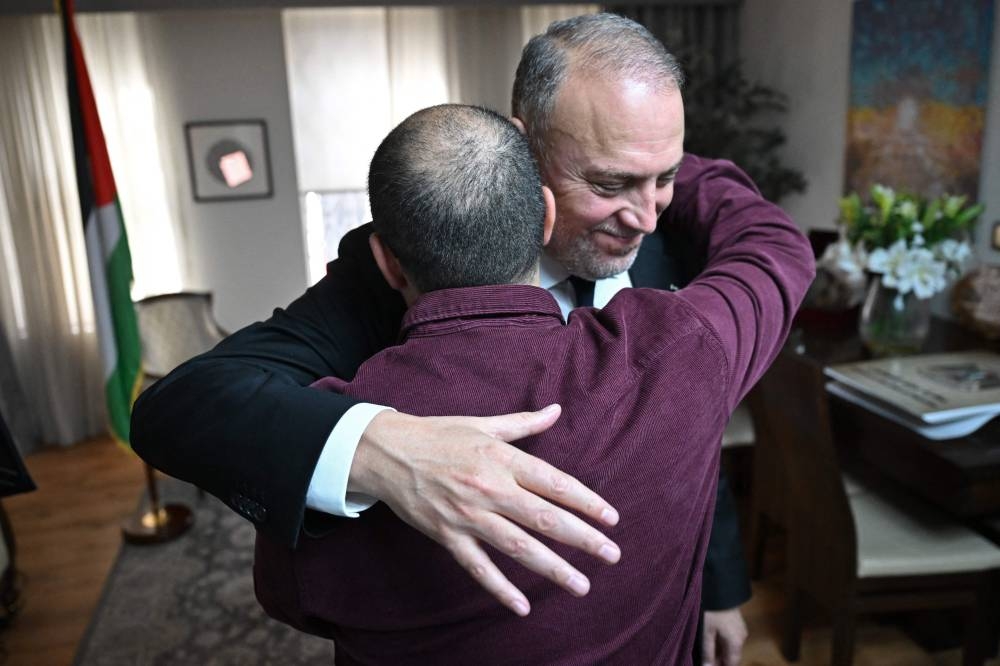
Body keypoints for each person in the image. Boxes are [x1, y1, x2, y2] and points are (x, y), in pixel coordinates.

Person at [131, 13, 800, 665]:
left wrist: (718, 587)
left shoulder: (671, 240)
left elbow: (688, 438)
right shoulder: (390, 268)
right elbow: (185, 405)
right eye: (609, 181)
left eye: (666, 177)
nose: (646, 217)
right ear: (525, 146)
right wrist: (377, 449)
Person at [253, 102, 812, 664]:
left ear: (387, 262)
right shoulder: (676, 351)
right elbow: (774, 247)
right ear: (545, 216)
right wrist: (658, 154)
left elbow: (289, 600)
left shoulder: (324, 436)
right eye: (610, 180)